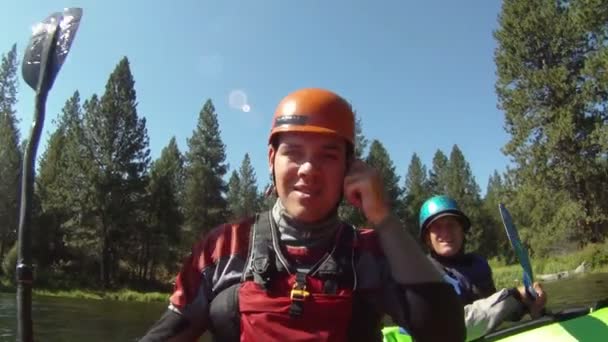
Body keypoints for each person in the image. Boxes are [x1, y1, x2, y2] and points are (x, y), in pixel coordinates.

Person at [139, 88, 466, 341]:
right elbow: (169, 332)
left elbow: (446, 333)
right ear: (272, 158)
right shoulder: (222, 247)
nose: (308, 170)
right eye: (294, 152)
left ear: (349, 168)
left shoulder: (371, 253)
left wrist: (382, 217)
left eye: (328, 155)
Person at [419, 195, 547, 341]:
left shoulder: (477, 265)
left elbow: (494, 313)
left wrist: (528, 303)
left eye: (451, 225)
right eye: (437, 227)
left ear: (462, 231)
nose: (446, 232)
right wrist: (515, 296)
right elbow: (451, 328)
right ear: (428, 238)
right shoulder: (422, 276)